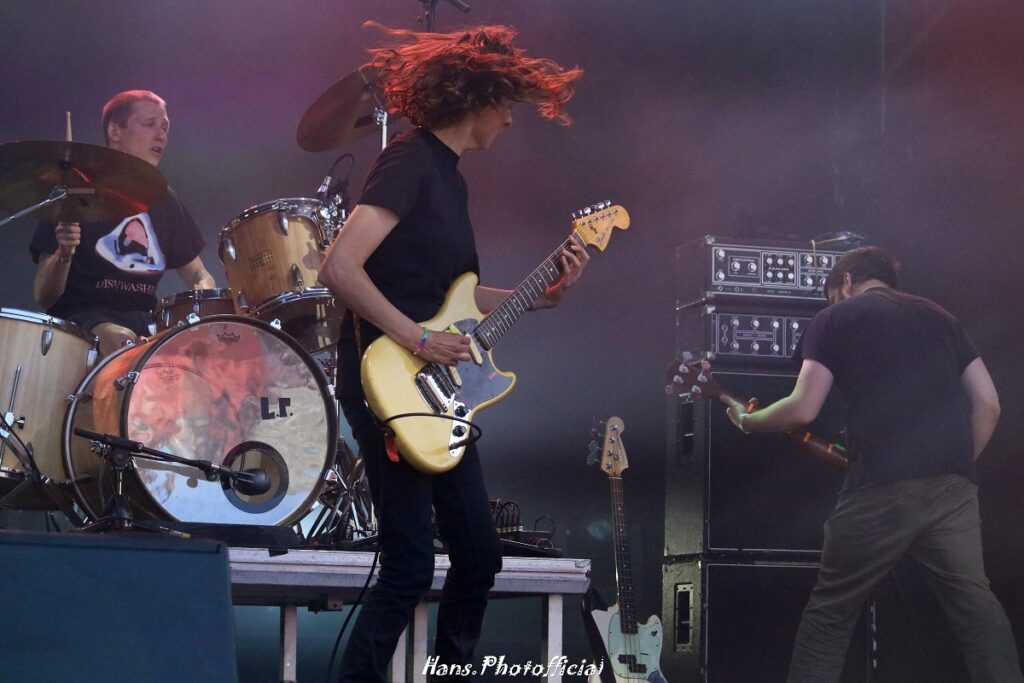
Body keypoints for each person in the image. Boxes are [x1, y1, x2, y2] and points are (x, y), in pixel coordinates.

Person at [317, 22, 585, 682]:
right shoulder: (408, 161)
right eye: (507, 106)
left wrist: (542, 296)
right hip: (386, 377)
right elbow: (340, 268)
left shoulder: (451, 179)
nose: (510, 121)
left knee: (479, 555)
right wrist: (416, 337)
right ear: (479, 98)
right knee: (408, 564)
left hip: (434, 389)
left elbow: (454, 297)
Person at [719, 246, 1022, 682]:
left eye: (832, 295)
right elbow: (990, 404)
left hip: (880, 485)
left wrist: (750, 421)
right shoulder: (941, 317)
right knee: (977, 610)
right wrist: (955, 471)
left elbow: (803, 408)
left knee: (832, 611)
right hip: (953, 487)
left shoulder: (836, 317)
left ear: (846, 282)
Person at [30, 89, 215, 355]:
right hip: (81, 322)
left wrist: (206, 295)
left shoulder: (164, 199)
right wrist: (64, 253)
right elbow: (43, 296)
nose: (161, 135)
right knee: (121, 341)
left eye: (164, 128)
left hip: (146, 325)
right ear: (115, 132)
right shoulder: (73, 192)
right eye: (149, 124)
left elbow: (198, 274)